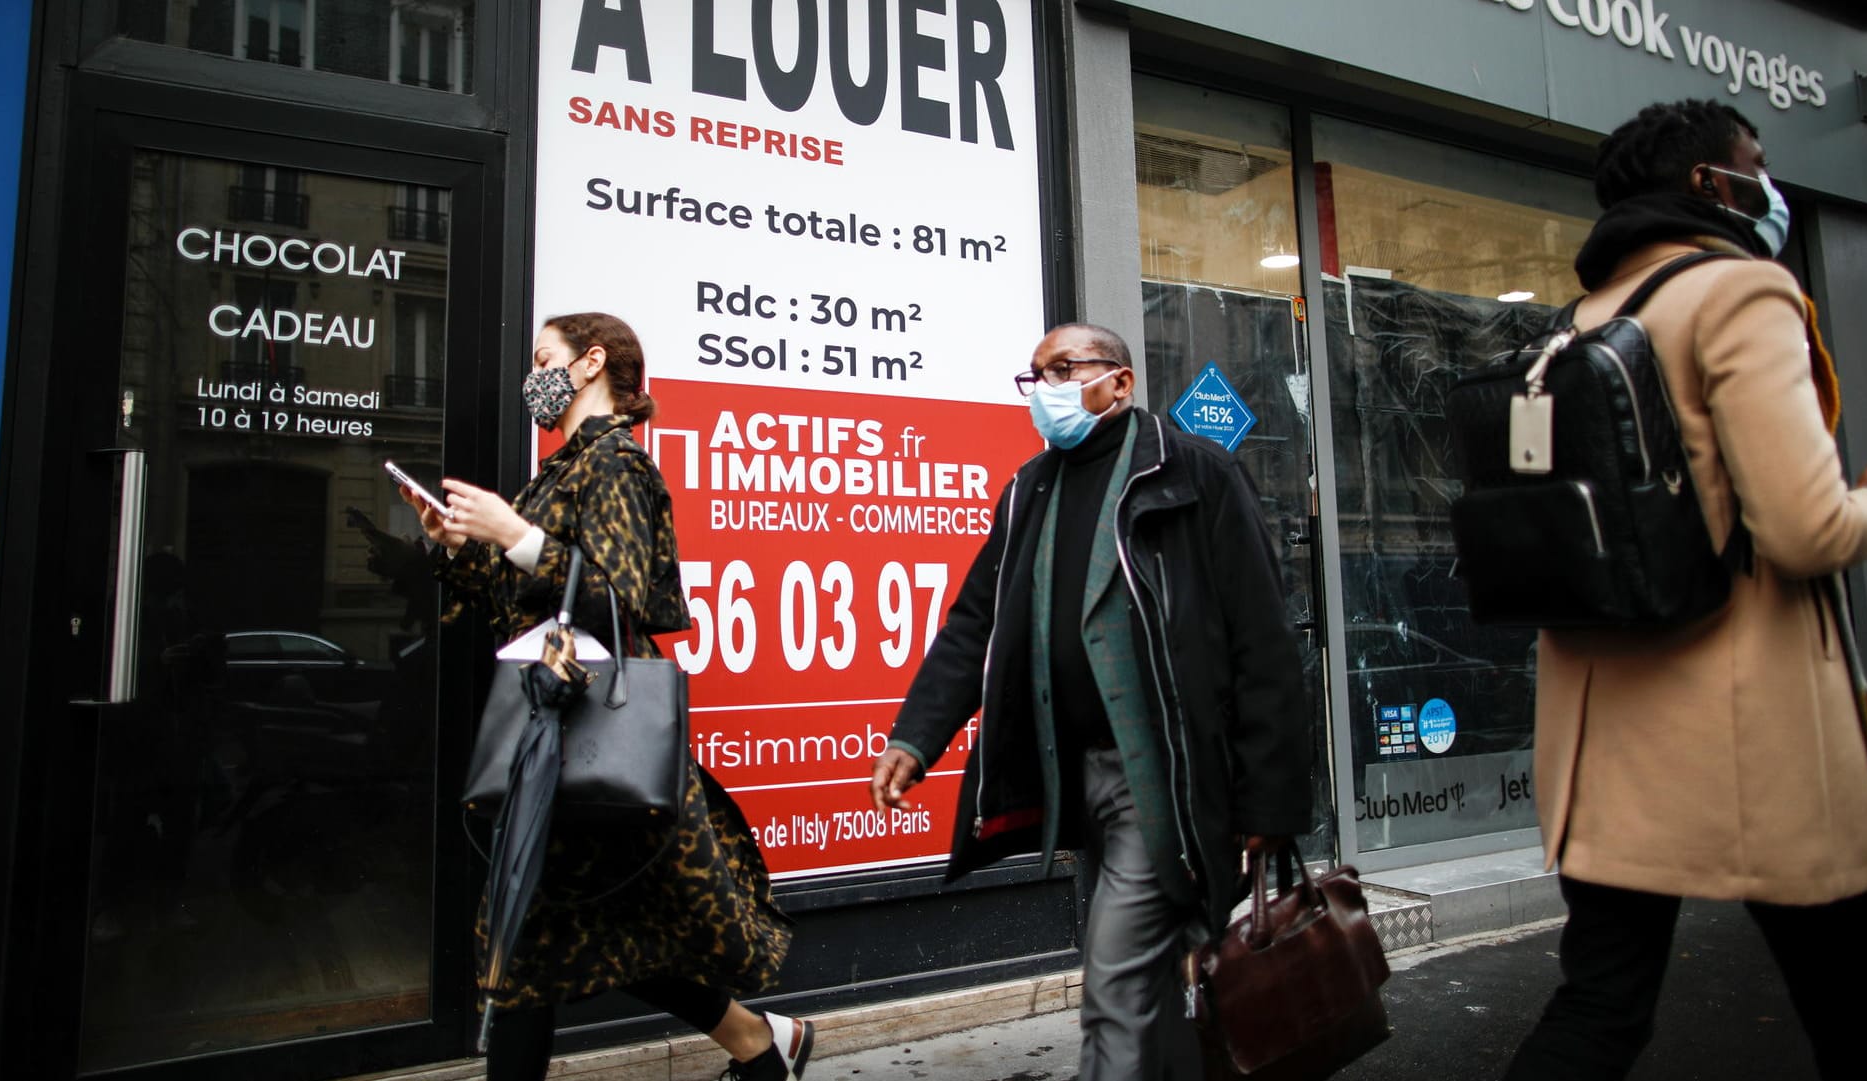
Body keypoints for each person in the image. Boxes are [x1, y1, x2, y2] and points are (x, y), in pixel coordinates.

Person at [1502, 100, 1867, 1081]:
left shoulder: (1578, 322)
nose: (1772, 186)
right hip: (1750, 737)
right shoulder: (1740, 292)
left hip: (1603, 738)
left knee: (1599, 1009)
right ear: (1714, 185)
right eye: (1757, 165)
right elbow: (1810, 529)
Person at [868, 323, 1311, 1081]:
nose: (1047, 389)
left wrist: (1268, 800)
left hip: (1165, 782)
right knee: (1143, 977)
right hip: (1075, 779)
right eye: (1035, 376)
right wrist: (916, 735)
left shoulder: (1193, 476)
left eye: (1064, 369)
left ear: (1121, 382)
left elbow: (1263, 643)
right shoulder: (1031, 490)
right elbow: (975, 622)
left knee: (1114, 980)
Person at [403, 312, 815, 1081]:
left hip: (584, 730)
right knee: (584, 928)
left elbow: (618, 598)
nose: (536, 376)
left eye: (544, 358)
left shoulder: (618, 464)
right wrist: (457, 544)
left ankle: (762, 1045)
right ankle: (761, 1044)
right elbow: (515, 604)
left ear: (591, 362)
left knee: (540, 935)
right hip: (553, 734)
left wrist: (514, 532)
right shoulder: (559, 469)